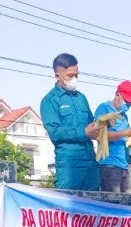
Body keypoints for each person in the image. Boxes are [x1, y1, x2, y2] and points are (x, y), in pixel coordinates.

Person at [40, 53, 101, 191]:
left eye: (77, 75)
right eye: (70, 76)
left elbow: (92, 124)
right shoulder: (49, 101)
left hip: (90, 161)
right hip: (69, 164)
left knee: (93, 206)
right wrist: (83, 132)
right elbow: (54, 132)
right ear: (57, 76)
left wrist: (103, 124)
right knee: (66, 206)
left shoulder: (81, 98)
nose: (74, 79)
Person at [93, 81, 131, 192]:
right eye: (127, 101)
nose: (128, 104)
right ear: (117, 95)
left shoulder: (124, 117)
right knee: (113, 204)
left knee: (126, 205)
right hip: (109, 165)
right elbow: (100, 135)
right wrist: (128, 132)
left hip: (124, 165)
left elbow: (127, 138)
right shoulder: (104, 108)